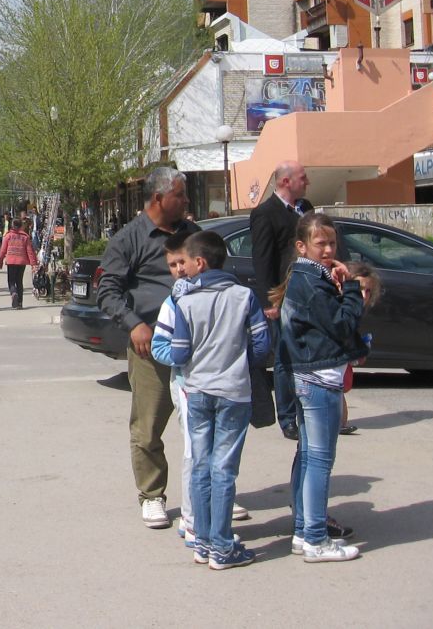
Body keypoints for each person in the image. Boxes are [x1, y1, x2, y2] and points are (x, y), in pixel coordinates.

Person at [152, 231, 270, 570]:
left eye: (185, 261)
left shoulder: (184, 302)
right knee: (224, 469)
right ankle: (222, 545)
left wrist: (195, 361)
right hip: (233, 391)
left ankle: (201, 541)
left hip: (198, 391)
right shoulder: (244, 296)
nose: (182, 268)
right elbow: (261, 346)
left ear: (200, 263)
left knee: (201, 464)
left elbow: (178, 351)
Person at [96, 166, 199, 529]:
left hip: (198, 348)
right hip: (151, 346)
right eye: (181, 195)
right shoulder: (129, 239)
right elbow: (107, 293)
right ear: (159, 198)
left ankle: (207, 494)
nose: (187, 201)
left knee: (203, 424)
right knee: (148, 426)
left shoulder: (193, 235)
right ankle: (152, 495)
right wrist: (134, 324)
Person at [270, 212, 367, 563]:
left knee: (310, 457)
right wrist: (353, 288)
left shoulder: (307, 277)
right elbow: (341, 324)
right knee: (319, 461)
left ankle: (303, 530)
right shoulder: (310, 281)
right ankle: (314, 537)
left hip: (311, 375)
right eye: (319, 243)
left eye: (331, 243)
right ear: (302, 246)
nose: (327, 249)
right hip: (319, 378)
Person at [249, 160, 312, 441]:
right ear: (286, 181)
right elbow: (262, 261)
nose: (307, 182)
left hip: (308, 293)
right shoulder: (266, 213)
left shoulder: (305, 209)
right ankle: (287, 418)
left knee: (307, 356)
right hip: (282, 297)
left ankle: (309, 410)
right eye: (302, 177)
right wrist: (268, 302)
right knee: (285, 360)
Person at [339, 262, 380, 436]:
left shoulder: (355, 310)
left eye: (369, 291)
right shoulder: (339, 307)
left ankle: (339, 423)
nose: (364, 295)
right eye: (359, 289)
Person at [0, 218, 38, 310]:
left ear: (12, 226)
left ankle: (13, 293)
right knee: (19, 281)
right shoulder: (25, 237)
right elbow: (30, 251)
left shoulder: (8, 236)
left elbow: (2, 251)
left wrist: (0, 263)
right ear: (21, 226)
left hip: (11, 261)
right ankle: (20, 303)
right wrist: (33, 264)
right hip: (21, 262)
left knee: (11, 281)